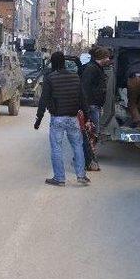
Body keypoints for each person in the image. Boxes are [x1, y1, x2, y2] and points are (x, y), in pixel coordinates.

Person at [34, 51, 91, 187]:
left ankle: (59, 178)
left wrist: (38, 119)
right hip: (73, 118)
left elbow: (44, 99)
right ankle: (81, 176)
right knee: (77, 146)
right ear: (64, 62)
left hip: (57, 118)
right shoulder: (75, 77)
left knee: (56, 148)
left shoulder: (50, 78)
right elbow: (82, 99)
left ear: (53, 62)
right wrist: (87, 117)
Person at [81, 46, 111, 172]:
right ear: (101, 58)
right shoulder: (91, 69)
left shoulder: (96, 68)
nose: (109, 59)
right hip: (91, 106)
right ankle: (87, 161)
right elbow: (84, 89)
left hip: (95, 106)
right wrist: (86, 110)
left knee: (92, 135)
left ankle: (87, 159)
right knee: (91, 135)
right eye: (107, 57)